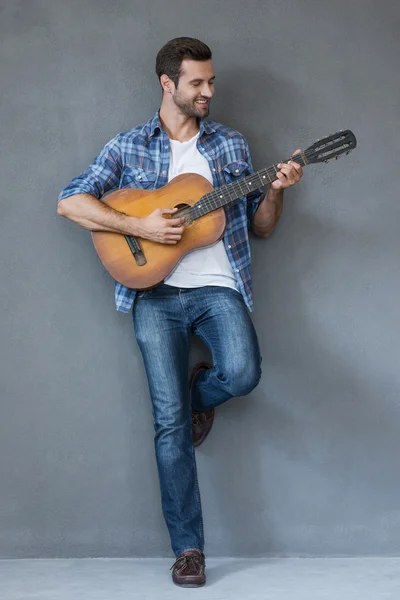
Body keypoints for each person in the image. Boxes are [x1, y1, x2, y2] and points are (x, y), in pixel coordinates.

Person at [57, 37, 303, 587]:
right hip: (154, 295)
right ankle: (189, 549)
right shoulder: (127, 146)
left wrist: (277, 191)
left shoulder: (233, 147)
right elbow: (70, 201)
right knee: (169, 426)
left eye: (210, 82)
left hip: (218, 288)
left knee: (242, 373)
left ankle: (200, 392)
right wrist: (140, 227)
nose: (208, 91)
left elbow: (261, 229)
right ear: (168, 84)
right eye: (197, 83)